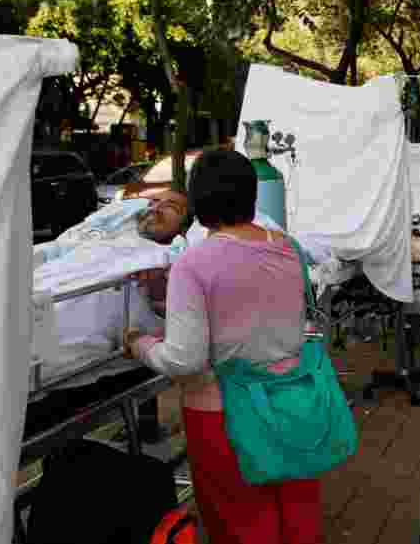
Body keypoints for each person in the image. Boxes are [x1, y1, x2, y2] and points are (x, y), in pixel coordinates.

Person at [126, 150, 322, 544]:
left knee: (242, 523)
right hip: (293, 404)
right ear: (252, 195)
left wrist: (141, 345)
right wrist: (171, 301)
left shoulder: (194, 263)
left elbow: (186, 359)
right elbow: (255, 305)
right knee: (297, 514)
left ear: (196, 203)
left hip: (226, 416)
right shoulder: (287, 248)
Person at [23, 189, 193, 441]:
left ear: (182, 229)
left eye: (172, 207)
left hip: (70, 313)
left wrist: (157, 287)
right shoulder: (102, 238)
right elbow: (57, 252)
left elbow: (167, 317)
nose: (156, 207)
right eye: (154, 201)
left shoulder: (166, 259)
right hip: (41, 290)